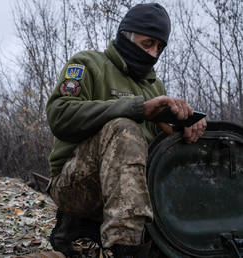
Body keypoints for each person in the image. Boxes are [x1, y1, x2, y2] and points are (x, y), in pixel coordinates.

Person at [46, 3, 206, 257]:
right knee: (124, 128)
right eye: (147, 44)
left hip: (133, 192)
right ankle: (124, 249)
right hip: (74, 186)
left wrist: (186, 128)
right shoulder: (87, 64)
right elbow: (59, 115)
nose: (153, 54)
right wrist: (136, 109)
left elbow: (158, 150)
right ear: (126, 35)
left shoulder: (155, 86)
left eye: (159, 47)